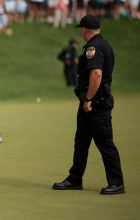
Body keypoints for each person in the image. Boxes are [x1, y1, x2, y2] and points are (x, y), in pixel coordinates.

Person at [53, 15, 124, 195]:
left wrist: (88, 99)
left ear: (84, 30)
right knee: (81, 142)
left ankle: (116, 183)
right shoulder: (104, 44)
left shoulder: (94, 47)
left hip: (95, 103)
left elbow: (96, 75)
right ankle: (75, 179)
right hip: (92, 101)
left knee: (105, 143)